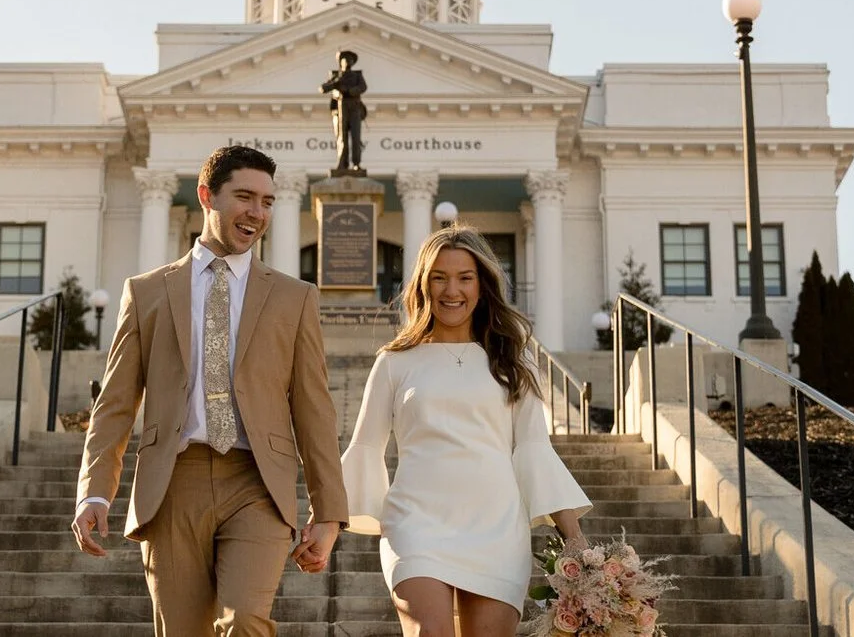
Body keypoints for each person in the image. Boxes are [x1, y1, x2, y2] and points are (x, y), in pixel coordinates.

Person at [72, 145, 347, 637]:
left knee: (245, 621)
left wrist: (328, 513)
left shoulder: (294, 297)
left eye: (266, 202)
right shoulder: (148, 291)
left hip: (258, 483)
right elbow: (114, 403)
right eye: (244, 197)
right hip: (174, 481)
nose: (257, 213)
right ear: (207, 196)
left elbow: (313, 409)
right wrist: (94, 492)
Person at [341, 226, 592, 637]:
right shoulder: (394, 362)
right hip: (415, 523)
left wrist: (575, 537)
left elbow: (533, 448)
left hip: (496, 528)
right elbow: (365, 447)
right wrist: (328, 521)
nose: (450, 290)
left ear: (482, 286)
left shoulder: (515, 361)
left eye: (464, 277)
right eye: (438, 277)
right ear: (423, 284)